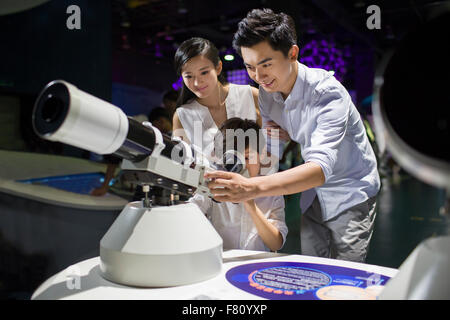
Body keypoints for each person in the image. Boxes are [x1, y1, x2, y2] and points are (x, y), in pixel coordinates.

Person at [205, 8, 380, 263]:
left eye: (266, 64)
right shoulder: (267, 93)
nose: (259, 77)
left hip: (350, 190)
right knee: (311, 266)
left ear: (292, 53)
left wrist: (249, 187)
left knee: (346, 271)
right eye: (250, 67)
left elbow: (320, 168)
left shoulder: (328, 94)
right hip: (312, 192)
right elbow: (272, 147)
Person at [189, 118, 287, 251]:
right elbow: (190, 214)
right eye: (233, 159)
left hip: (257, 265)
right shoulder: (215, 185)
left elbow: (275, 244)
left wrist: (250, 204)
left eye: (247, 157)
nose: (241, 166)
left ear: (261, 154)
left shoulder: (271, 190)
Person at [172, 37, 261, 160]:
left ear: (218, 68)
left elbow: (276, 143)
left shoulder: (251, 96)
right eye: (189, 76)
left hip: (259, 178)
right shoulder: (182, 116)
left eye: (204, 72)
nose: (197, 83)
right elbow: (181, 163)